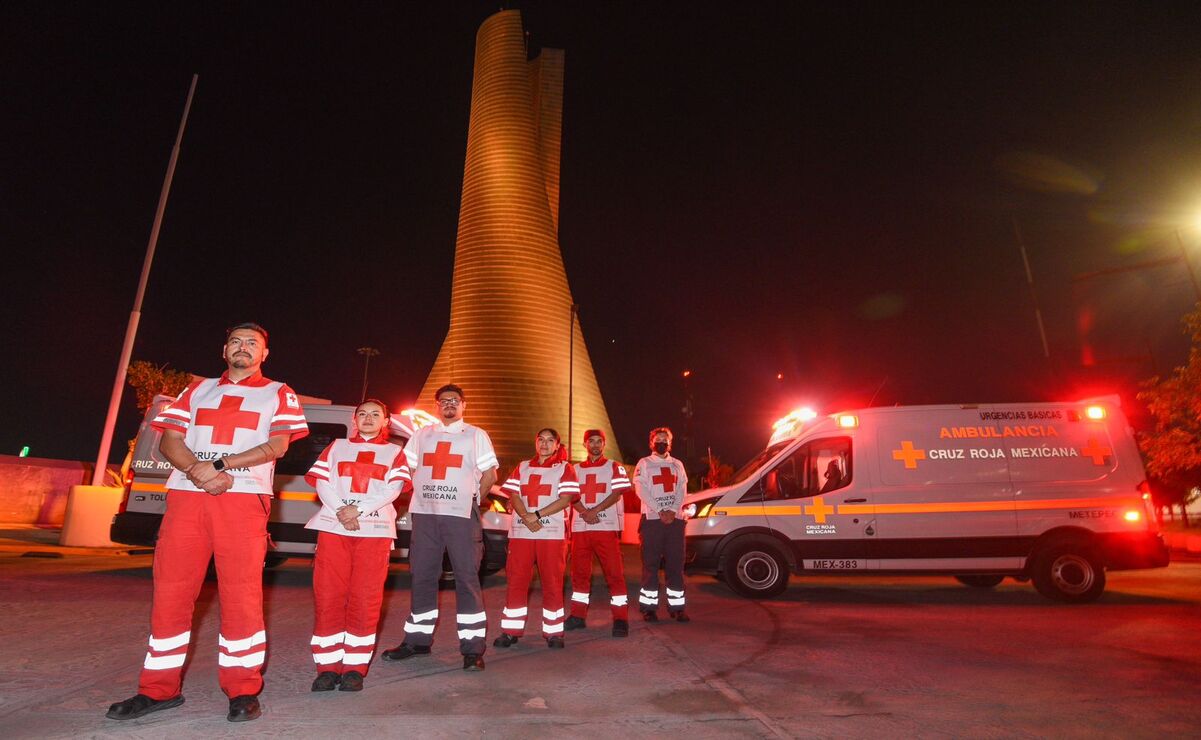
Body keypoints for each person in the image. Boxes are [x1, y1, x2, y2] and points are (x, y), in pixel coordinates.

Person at [107, 323, 308, 723]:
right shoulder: (196, 390)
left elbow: (278, 445)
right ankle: (157, 690)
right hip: (187, 498)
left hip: (243, 499)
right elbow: (168, 439)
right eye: (237, 341)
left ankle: (242, 689)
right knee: (170, 594)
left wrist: (219, 466)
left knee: (242, 597)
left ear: (264, 354)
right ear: (224, 349)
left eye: (253, 344)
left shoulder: (279, 392)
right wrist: (199, 473)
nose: (244, 348)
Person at [381, 384, 497, 671]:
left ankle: (472, 649)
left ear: (463, 405)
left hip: (460, 517)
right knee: (421, 576)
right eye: (443, 400)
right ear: (436, 406)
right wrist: (413, 498)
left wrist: (472, 500)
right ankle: (417, 641)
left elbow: (490, 474)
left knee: (467, 578)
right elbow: (405, 469)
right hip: (426, 515)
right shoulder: (421, 436)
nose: (449, 405)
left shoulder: (475, 435)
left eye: (454, 401)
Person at [304, 399, 411, 693]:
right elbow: (322, 482)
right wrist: (342, 509)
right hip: (333, 528)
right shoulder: (336, 447)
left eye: (376, 414)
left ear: (385, 422)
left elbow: (395, 489)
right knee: (328, 596)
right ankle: (326, 668)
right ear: (354, 418)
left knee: (366, 598)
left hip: (374, 532)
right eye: (362, 413)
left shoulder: (394, 453)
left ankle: (354, 668)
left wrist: (357, 511)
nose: (368, 418)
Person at [494, 428, 580, 648]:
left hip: (551, 534)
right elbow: (513, 494)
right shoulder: (522, 466)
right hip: (522, 533)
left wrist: (537, 515)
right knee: (516, 581)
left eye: (550, 440)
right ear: (535, 442)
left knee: (552, 582)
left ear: (557, 446)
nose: (544, 444)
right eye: (541, 439)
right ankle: (510, 631)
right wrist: (526, 516)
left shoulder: (564, 468)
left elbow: (567, 498)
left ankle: (554, 633)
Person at [564, 429, 631, 637]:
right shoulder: (573, 469)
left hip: (605, 526)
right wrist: (584, 511)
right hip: (581, 528)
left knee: (614, 574)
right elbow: (569, 495)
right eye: (590, 441)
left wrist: (595, 511)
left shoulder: (614, 467)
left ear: (604, 444)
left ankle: (620, 618)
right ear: (584, 444)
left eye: (598, 441)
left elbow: (617, 492)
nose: (595, 445)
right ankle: (577, 615)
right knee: (579, 574)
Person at [633, 427, 690, 623]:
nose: (661, 442)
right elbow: (641, 490)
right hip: (652, 521)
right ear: (651, 443)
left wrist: (673, 510)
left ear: (670, 443)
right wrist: (660, 509)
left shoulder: (677, 464)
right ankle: (649, 608)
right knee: (651, 565)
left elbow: (682, 489)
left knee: (676, 564)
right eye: (658, 439)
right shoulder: (644, 463)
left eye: (665, 439)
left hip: (675, 520)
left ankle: (677, 608)